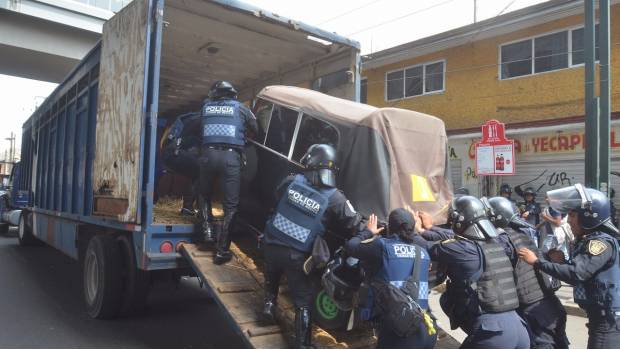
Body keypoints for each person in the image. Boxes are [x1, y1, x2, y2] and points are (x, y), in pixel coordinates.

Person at [261, 144, 364, 348]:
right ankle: (302, 345)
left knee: (272, 274)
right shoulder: (335, 197)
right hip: (297, 257)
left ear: (312, 162)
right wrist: (370, 230)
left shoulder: (291, 180)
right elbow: (354, 223)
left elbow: (276, 196)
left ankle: (269, 305)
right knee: (303, 303)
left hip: (270, 244)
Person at [519, 184, 620, 349]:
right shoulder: (593, 239)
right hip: (601, 318)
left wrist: (537, 262)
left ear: (589, 216)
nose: (569, 220)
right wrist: (562, 262)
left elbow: (576, 274)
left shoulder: (600, 242)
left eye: (572, 216)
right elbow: (585, 277)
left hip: (607, 321)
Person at [429, 195, 530, 349]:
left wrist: (413, 228)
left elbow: (426, 247)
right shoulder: (497, 244)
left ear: (460, 220)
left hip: (493, 332)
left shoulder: (464, 248)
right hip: (519, 328)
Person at [345, 209, 437, 348]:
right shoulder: (422, 252)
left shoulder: (382, 246)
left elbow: (351, 247)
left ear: (390, 227)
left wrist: (368, 232)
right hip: (426, 329)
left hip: (399, 333)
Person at [485, 196, 568, 349]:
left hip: (534, 307)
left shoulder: (503, 241)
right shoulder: (522, 233)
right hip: (549, 302)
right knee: (559, 343)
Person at [199, 81, 258, 264]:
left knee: (203, 194)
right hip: (231, 158)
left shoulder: (205, 108)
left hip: (208, 156)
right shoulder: (241, 109)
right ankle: (222, 250)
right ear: (232, 94)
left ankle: (207, 231)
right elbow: (256, 129)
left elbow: (200, 128)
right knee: (230, 206)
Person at [160, 112, 201, 216]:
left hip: (171, 151)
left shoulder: (193, 117)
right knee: (202, 171)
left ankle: (191, 207)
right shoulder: (203, 120)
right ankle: (191, 208)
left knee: (198, 170)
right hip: (174, 152)